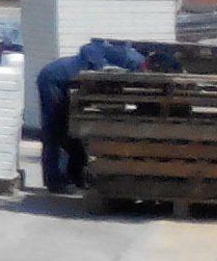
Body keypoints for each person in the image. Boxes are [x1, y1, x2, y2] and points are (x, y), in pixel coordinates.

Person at [33, 38, 145, 191]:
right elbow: (88, 51)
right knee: (55, 129)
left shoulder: (127, 57)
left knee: (71, 132)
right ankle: (55, 180)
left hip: (66, 80)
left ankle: (72, 177)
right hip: (54, 79)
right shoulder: (130, 60)